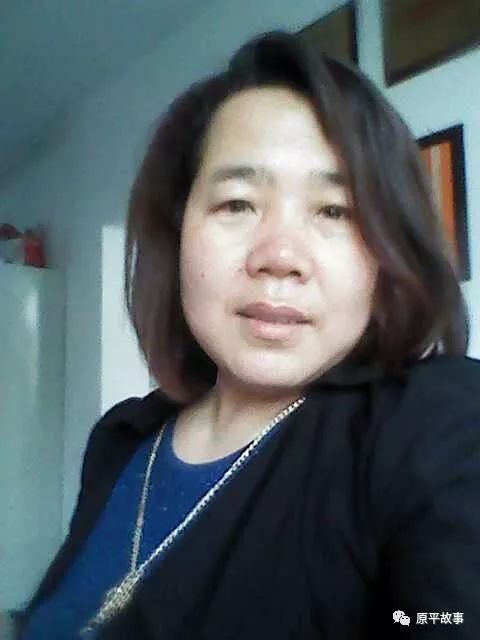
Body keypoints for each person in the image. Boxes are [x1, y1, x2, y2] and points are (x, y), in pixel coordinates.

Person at [20, 31, 480, 639]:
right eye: (237, 204)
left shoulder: (434, 424)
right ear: (177, 234)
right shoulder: (120, 441)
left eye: (335, 211)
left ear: (385, 252)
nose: (280, 256)